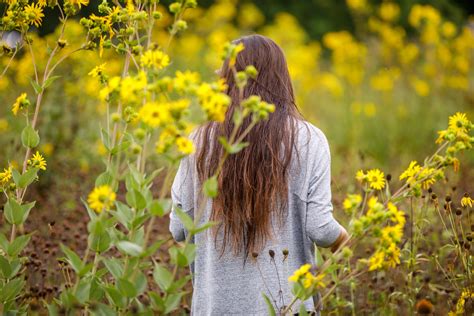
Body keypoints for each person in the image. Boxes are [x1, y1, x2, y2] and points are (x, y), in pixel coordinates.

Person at [169, 34, 349, 315]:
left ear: (228, 79)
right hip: (287, 308)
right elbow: (321, 228)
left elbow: (178, 228)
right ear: (282, 78)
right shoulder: (310, 140)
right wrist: (349, 242)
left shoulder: (198, 141)